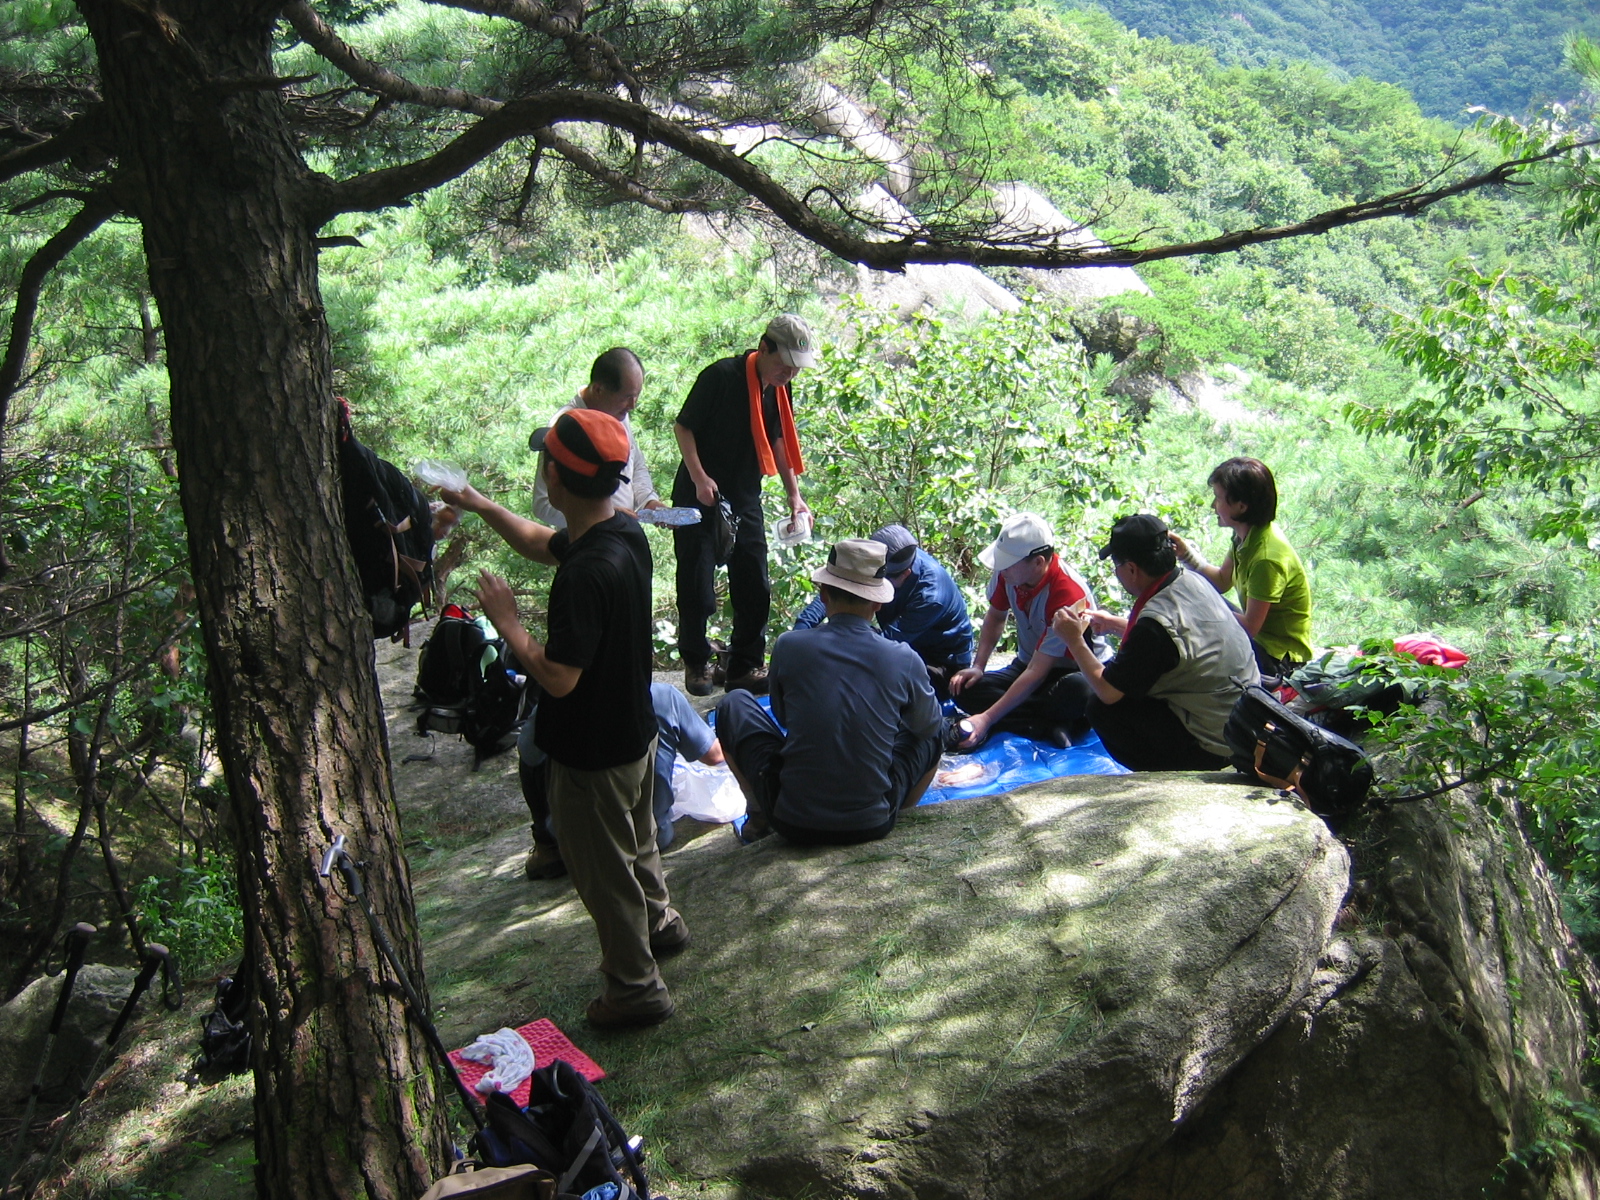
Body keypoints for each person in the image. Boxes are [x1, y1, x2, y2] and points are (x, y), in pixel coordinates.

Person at [443, 408, 686, 1029]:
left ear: (554, 476)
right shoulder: (622, 532)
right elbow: (538, 541)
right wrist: (478, 503)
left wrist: (508, 624)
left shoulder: (584, 573)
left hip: (590, 756)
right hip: (633, 734)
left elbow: (558, 677)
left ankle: (635, 989)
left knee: (605, 874)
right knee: (638, 845)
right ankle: (661, 924)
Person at [716, 539, 943, 845]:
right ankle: (897, 816)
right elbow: (927, 728)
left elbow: (784, 717)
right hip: (871, 824)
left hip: (791, 820)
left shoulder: (788, 645)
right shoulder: (904, 657)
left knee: (733, 702)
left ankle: (759, 816)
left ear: (823, 594)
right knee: (936, 729)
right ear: (878, 603)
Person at [672, 314, 816, 697]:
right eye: (784, 364)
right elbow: (684, 427)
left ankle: (743, 666)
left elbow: (780, 440)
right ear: (763, 348)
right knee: (697, 586)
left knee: (755, 584)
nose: (789, 373)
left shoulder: (780, 389)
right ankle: (697, 660)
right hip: (699, 493)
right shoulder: (721, 376)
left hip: (744, 495)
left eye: (796, 368)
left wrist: (794, 495)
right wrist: (699, 477)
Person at [1051, 513, 1260, 771]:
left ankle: (1164, 776)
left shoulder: (1154, 626)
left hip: (1214, 745)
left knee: (1100, 707)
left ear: (1132, 569)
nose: (1117, 573)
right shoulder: (1191, 580)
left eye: (1117, 566)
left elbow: (1109, 691)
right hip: (1243, 724)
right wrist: (1115, 624)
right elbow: (1177, 640)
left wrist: (1074, 640)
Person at [519, 681, 726, 880]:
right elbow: (714, 756)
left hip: (582, 847)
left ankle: (547, 847)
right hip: (650, 837)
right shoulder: (663, 696)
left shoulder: (553, 705)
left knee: (531, 758)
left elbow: (529, 757)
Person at [948, 512, 1098, 749]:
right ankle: (1048, 725)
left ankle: (1035, 719)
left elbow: (1038, 671)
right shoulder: (1007, 574)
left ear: (1038, 562)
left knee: (1079, 691)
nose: (1001, 569)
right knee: (964, 688)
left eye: (1007, 564)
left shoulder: (1067, 594)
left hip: (1065, 671)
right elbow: (995, 616)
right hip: (1026, 665)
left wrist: (986, 719)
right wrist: (978, 666)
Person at [1169, 457, 1312, 682]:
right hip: (1260, 641)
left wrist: (1197, 612)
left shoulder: (1267, 558)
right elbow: (1222, 581)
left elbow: (1249, 627)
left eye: (1218, 498)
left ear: (1241, 506)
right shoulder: (1247, 536)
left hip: (1277, 660)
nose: (1213, 505)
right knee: (1191, 596)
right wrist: (1186, 554)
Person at [792, 524, 972, 697]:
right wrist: (801, 630)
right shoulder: (888, 559)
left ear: (905, 574)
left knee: (863, 685)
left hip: (939, 664)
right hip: (900, 644)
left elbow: (884, 645)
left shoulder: (931, 597)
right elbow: (839, 587)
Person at [532, 347, 664, 528]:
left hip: (624, 531)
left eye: (636, 396)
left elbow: (635, 465)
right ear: (598, 389)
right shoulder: (565, 427)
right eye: (627, 397)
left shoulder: (617, 413)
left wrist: (648, 501)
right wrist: (606, 515)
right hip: (588, 537)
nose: (632, 406)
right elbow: (542, 505)